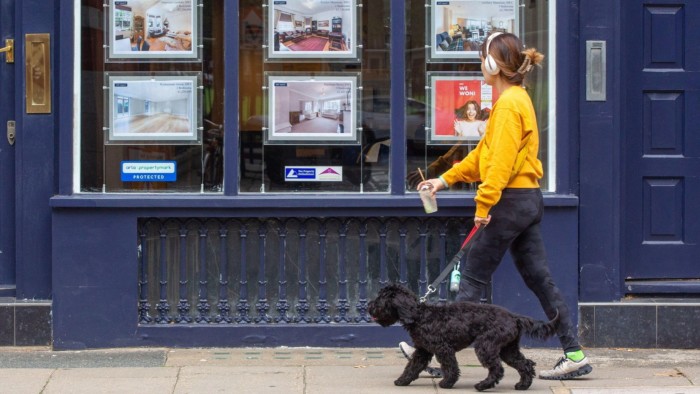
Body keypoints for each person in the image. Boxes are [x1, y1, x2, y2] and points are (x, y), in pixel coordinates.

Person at [401, 32, 593, 381]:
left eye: (481, 59)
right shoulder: (518, 99)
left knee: (472, 278)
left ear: (493, 65)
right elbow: (483, 155)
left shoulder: (507, 105)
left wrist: (484, 203)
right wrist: (444, 180)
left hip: (507, 202)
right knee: (540, 279)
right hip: (527, 199)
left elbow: (499, 163)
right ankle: (575, 353)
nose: (479, 65)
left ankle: (428, 352)